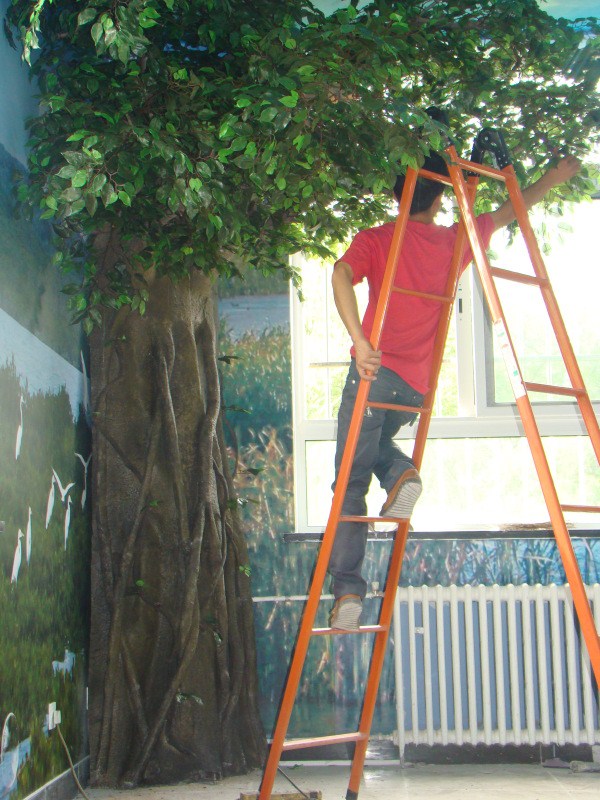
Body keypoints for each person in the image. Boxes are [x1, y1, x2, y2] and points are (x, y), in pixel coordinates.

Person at [328, 151, 581, 631]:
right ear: (441, 197)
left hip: (373, 373)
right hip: (415, 390)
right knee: (377, 451)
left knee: (348, 484)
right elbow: (511, 211)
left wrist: (360, 342)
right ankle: (401, 472)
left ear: (394, 195)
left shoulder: (379, 239)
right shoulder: (456, 239)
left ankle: (347, 593)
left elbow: (340, 274)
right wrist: (552, 175)